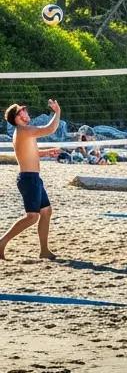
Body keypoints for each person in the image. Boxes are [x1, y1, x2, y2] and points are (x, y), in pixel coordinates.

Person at [0, 100, 60, 260]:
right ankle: (1, 242)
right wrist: (57, 112)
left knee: (46, 212)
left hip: (34, 178)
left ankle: (44, 251)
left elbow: (30, 152)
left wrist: (47, 153)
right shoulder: (23, 130)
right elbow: (50, 129)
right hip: (28, 179)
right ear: (18, 116)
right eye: (23, 110)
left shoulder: (24, 132)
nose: (26, 111)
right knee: (32, 216)